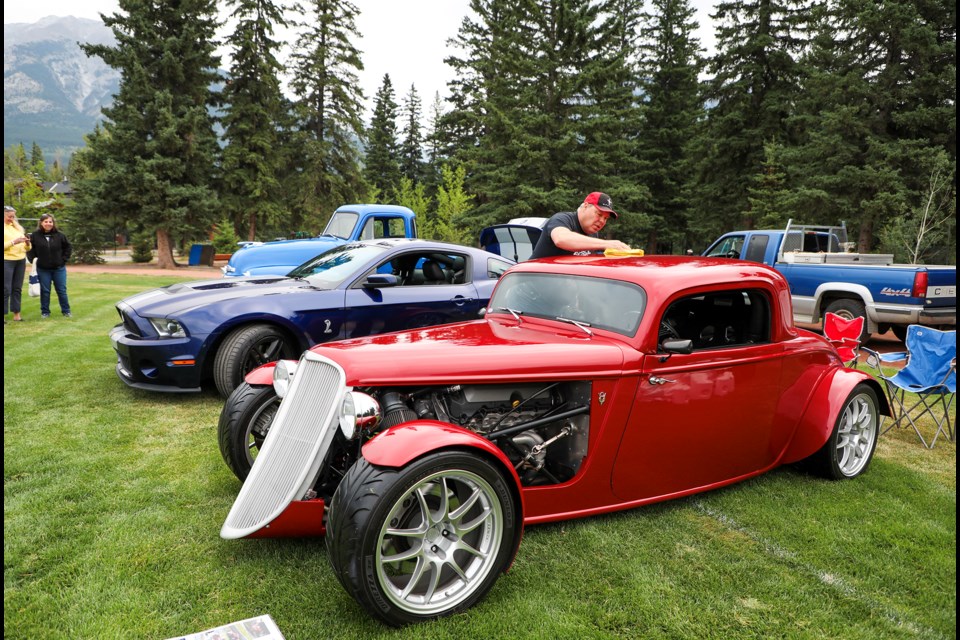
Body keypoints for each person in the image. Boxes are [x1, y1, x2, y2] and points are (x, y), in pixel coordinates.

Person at [530, 192, 632, 259]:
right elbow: (561, 239)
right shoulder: (562, 219)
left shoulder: (593, 234)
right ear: (586, 206)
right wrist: (606, 244)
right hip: (531, 285)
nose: (602, 221)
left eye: (605, 218)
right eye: (599, 214)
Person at [26, 213, 72, 318]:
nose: (48, 224)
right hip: (43, 269)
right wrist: (34, 261)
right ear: (41, 223)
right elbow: (30, 249)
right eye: (45, 221)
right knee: (45, 291)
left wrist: (63, 260)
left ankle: (66, 311)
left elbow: (68, 247)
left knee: (61, 290)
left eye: (50, 222)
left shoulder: (60, 235)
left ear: (53, 223)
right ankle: (45, 312)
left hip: (59, 269)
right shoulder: (34, 236)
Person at [4, 205, 31, 323]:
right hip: (7, 261)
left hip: (20, 260)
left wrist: (27, 243)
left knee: (17, 288)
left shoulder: (17, 228)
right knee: (6, 289)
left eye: (13, 217)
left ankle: (17, 315)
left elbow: (27, 248)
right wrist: (14, 242)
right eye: (10, 216)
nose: (12, 219)